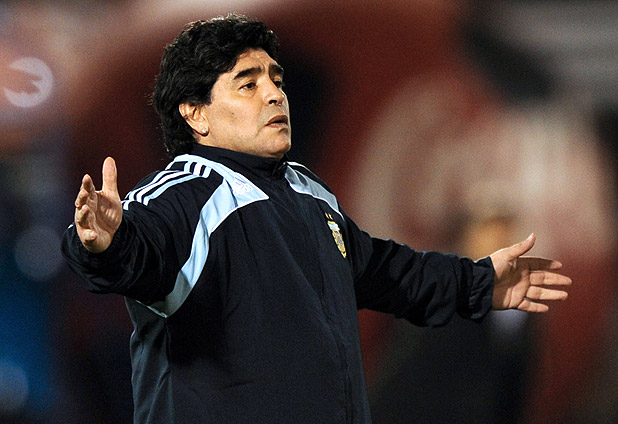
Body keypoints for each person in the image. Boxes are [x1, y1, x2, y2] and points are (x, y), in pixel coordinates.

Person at [61, 13, 571, 424]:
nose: (274, 93)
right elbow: (139, 253)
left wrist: (478, 282)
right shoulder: (185, 195)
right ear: (195, 113)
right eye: (247, 84)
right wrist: (106, 243)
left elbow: (386, 272)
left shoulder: (309, 192)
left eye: (276, 79)